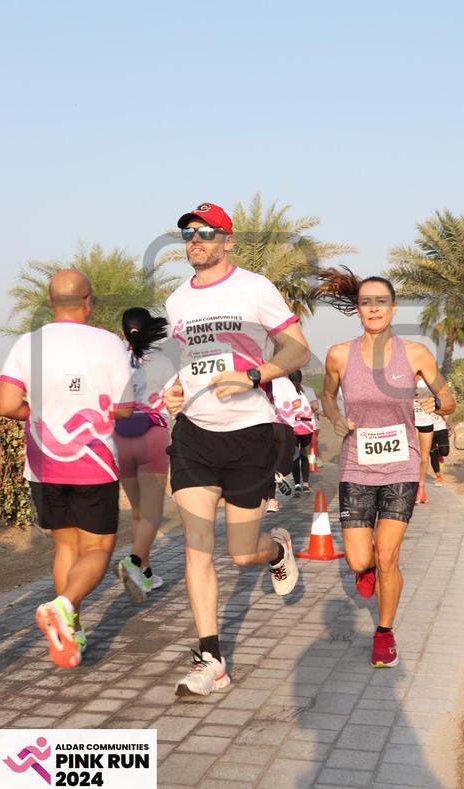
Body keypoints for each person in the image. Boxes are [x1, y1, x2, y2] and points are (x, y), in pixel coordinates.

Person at [163, 202, 310, 696]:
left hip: (249, 433)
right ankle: (212, 659)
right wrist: (174, 391)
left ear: (227, 241)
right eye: (188, 233)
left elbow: (297, 349)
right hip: (194, 436)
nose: (195, 240)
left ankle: (277, 549)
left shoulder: (255, 288)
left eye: (206, 232)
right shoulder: (176, 300)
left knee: (243, 553)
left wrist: (253, 374)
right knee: (197, 546)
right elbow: (188, 362)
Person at [315, 267, 455, 668]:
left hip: (401, 466)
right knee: (360, 560)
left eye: (381, 302)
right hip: (356, 466)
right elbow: (327, 397)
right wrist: (336, 419)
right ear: (357, 309)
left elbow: (449, 399)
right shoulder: (339, 355)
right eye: (366, 302)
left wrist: (436, 403)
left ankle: (384, 634)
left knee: (388, 554)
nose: (374, 309)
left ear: (392, 309)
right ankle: (366, 570)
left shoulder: (415, 353)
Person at [0, 270, 133, 668]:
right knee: (98, 550)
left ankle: (70, 633)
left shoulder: (28, 343)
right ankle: (64, 606)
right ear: (88, 301)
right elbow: (125, 408)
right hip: (94, 465)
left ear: (50, 301)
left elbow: (6, 403)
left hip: (44, 466)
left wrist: (36, 413)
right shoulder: (108, 344)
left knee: (66, 548)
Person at [113, 308, 177, 603]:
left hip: (120, 437)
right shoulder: (163, 362)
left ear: (123, 332)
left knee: (139, 513)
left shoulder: (114, 361)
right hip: (152, 435)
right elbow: (176, 400)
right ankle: (133, 562)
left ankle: (147, 574)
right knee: (153, 512)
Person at [265, 376, 301, 513]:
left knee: (270, 463)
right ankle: (280, 473)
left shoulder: (263, 381)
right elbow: (297, 403)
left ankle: (272, 502)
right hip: (284, 426)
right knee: (287, 459)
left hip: (266, 426)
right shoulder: (285, 381)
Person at [288, 370, 315, 496]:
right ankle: (306, 484)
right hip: (307, 428)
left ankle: (297, 485)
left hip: (293, 428)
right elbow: (315, 406)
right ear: (301, 378)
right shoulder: (307, 391)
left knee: (295, 456)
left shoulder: (286, 392)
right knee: (304, 455)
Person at [414, 378, 435, 503]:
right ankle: (412, 486)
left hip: (426, 421)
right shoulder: (406, 377)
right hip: (411, 422)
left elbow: (442, 397)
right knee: (414, 455)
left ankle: (421, 487)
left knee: (424, 457)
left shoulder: (429, 379)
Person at [302, 381, 321, 462]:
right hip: (311, 423)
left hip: (309, 422)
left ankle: (312, 462)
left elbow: (316, 407)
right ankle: (312, 462)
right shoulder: (309, 390)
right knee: (313, 443)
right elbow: (316, 406)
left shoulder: (308, 390)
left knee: (312, 443)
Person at [430, 412, 450, 486]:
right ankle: (438, 477)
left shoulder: (439, 404)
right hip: (427, 431)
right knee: (433, 454)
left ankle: (439, 454)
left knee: (445, 452)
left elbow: (448, 412)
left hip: (441, 428)